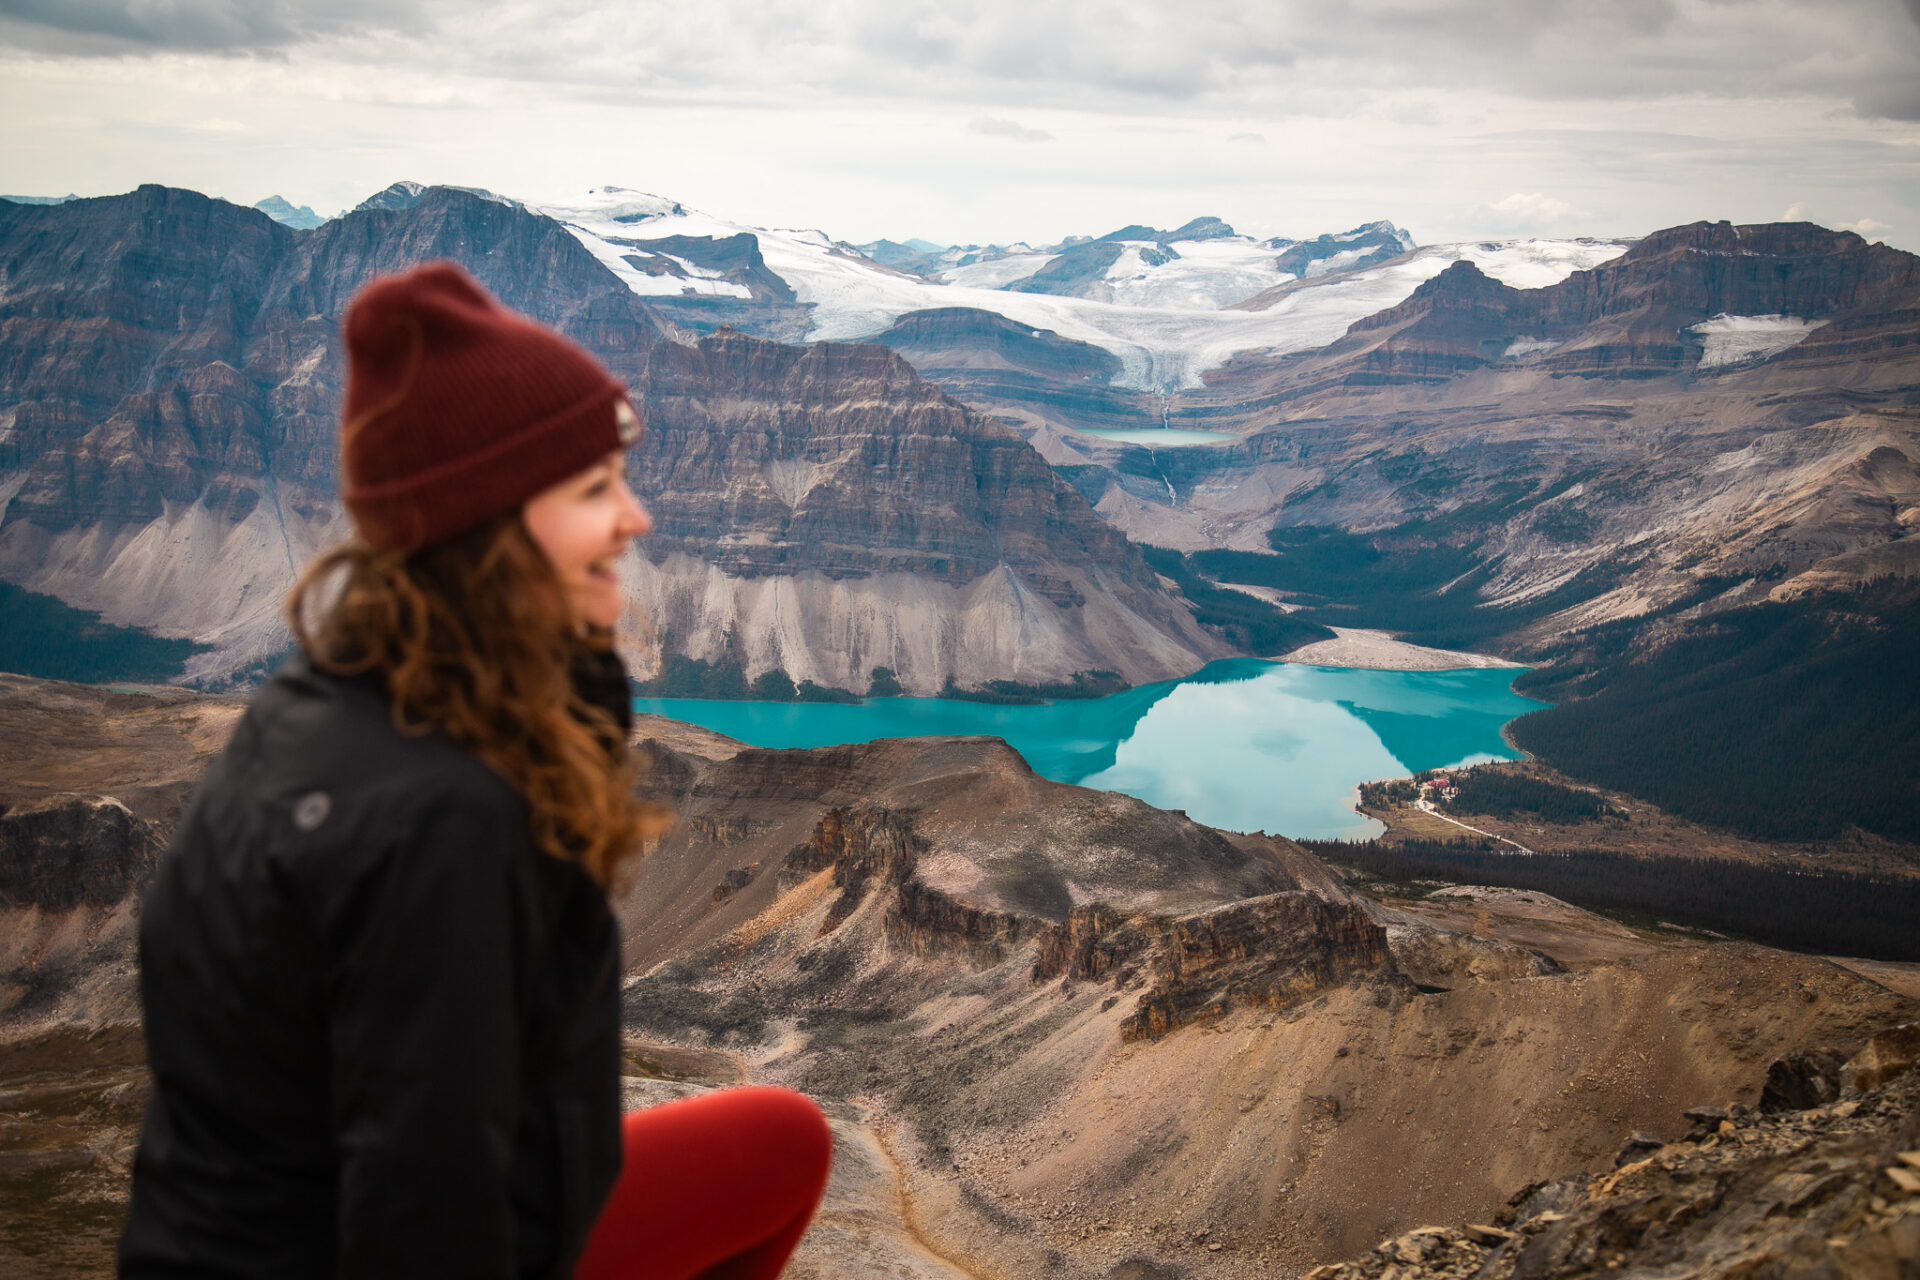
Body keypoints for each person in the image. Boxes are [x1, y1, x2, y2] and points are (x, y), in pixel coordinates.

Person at [119, 262, 833, 1279]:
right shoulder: (442, 826)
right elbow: (424, 1225)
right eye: (595, 491)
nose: (636, 520)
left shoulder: (339, 704)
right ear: (492, 527)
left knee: (779, 1143)